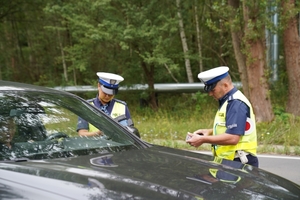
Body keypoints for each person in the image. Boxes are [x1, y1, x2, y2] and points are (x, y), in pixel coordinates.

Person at [186, 66, 259, 167]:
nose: (210, 94)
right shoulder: (228, 101)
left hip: (238, 162)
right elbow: (231, 126)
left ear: (225, 85)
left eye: (213, 90)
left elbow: (233, 138)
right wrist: (209, 132)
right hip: (232, 161)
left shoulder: (235, 103)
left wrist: (203, 139)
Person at [77, 72, 140, 137]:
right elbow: (82, 134)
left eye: (111, 93)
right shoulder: (86, 106)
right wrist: (99, 133)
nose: (107, 96)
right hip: (94, 146)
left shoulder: (123, 106)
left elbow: (131, 133)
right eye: (105, 92)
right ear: (98, 86)